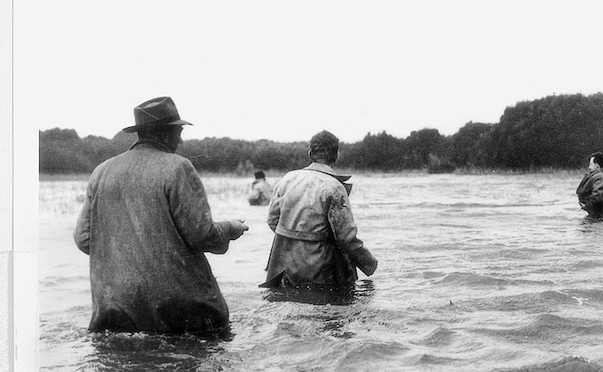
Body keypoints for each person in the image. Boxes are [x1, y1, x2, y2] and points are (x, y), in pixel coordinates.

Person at [73, 96, 249, 335]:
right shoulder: (178, 167)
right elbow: (202, 236)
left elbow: (83, 239)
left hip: (115, 309)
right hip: (177, 310)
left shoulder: (101, 172)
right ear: (166, 133)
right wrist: (230, 228)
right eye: (179, 131)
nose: (181, 138)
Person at [263, 130, 377, 288]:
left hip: (283, 266)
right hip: (319, 268)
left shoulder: (287, 179)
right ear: (336, 156)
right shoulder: (334, 187)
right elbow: (345, 237)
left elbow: (272, 220)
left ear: (310, 154)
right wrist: (369, 263)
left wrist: (294, 239)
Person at [576, 151, 603, 220]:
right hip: (600, 216)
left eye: (590, 164)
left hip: (598, 217)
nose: (589, 167)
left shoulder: (600, 177)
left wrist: (586, 206)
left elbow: (597, 197)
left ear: (597, 166)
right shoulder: (602, 176)